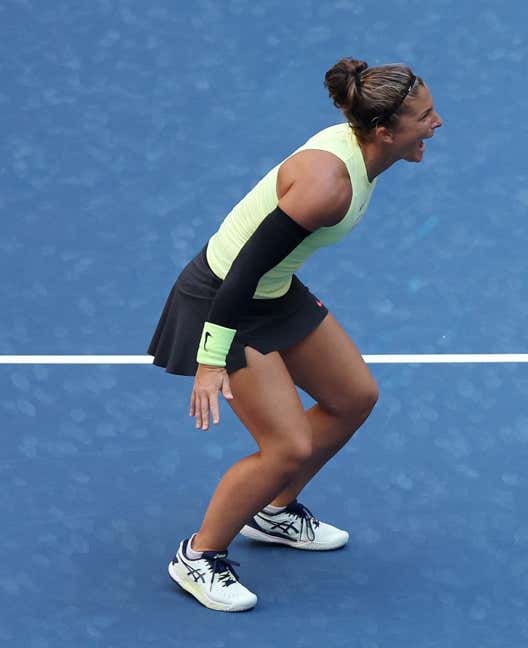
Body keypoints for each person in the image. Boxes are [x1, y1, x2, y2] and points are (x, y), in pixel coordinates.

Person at [148, 57, 443, 612]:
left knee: (353, 397)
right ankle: (198, 555)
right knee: (287, 445)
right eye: (425, 117)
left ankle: (273, 511)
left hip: (272, 289)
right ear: (384, 131)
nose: (438, 124)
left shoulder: (360, 148)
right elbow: (239, 275)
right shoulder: (327, 186)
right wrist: (211, 361)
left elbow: (265, 269)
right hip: (225, 301)